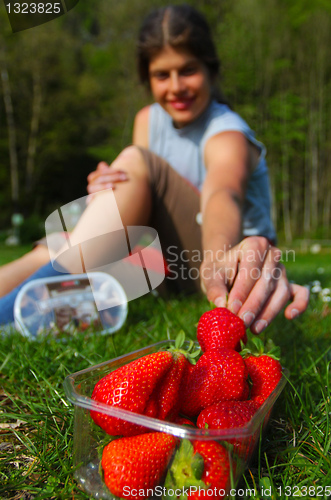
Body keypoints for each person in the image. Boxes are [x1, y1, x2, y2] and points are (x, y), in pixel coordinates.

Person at [0, 4, 309, 331]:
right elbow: (143, 212)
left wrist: (218, 259)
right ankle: (30, 302)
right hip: (161, 260)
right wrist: (107, 194)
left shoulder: (227, 133)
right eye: (162, 75)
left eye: (188, 70)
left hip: (222, 268)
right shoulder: (147, 121)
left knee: (135, 162)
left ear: (211, 71)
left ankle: (8, 317)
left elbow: (223, 194)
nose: (175, 87)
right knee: (61, 244)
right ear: (147, 79)